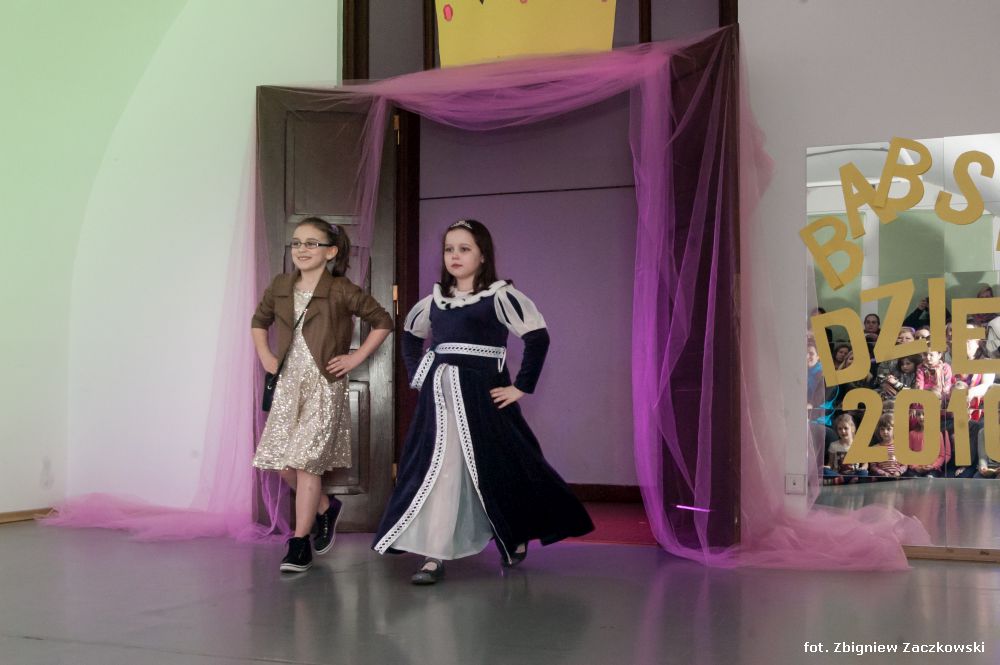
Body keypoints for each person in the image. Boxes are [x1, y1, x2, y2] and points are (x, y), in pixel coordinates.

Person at [372, 219, 594, 584]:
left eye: (464, 249)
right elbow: (410, 337)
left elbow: (537, 337)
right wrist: (419, 374)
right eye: (449, 249)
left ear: (483, 255)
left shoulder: (500, 297)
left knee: (500, 467)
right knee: (439, 469)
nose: (455, 256)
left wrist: (520, 387)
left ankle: (513, 532)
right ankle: (434, 554)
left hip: (482, 402)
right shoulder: (435, 302)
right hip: (440, 404)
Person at [251, 218, 393, 573]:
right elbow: (259, 321)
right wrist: (266, 356)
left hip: (323, 385)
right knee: (282, 465)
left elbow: (383, 321)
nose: (302, 249)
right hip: (287, 385)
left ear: (330, 252)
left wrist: (356, 358)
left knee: (306, 464)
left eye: (311, 243)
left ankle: (299, 544)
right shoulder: (280, 285)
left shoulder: (340, 288)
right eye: (297, 242)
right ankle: (326, 508)